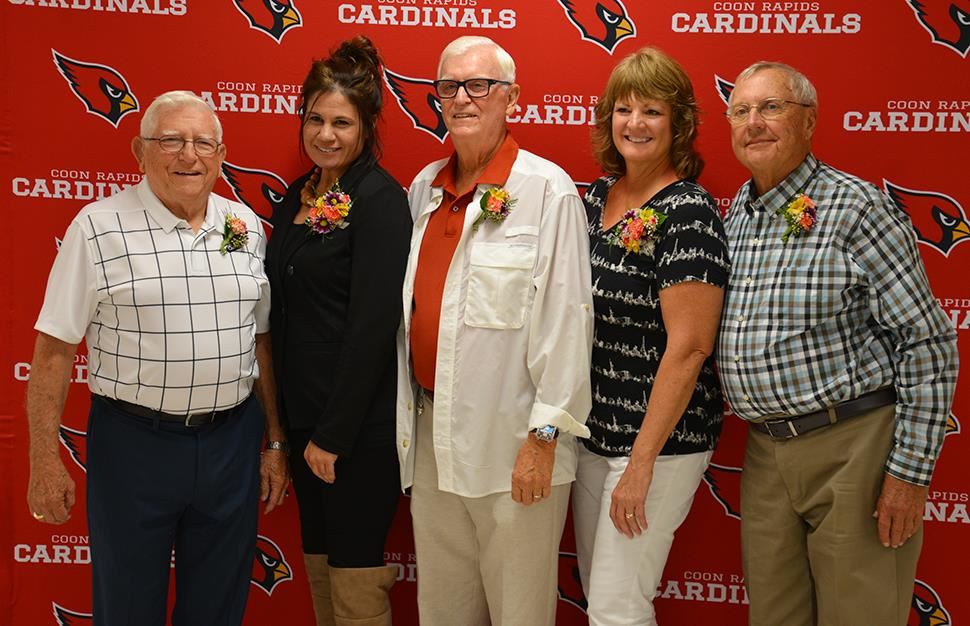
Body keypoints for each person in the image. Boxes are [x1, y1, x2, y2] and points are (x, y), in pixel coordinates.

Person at [25, 90, 288, 626]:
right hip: (133, 447)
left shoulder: (243, 227)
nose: (188, 155)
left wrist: (276, 442)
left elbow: (260, 340)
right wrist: (44, 459)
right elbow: (53, 351)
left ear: (220, 153)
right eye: (170, 141)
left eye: (202, 142)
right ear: (139, 152)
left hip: (230, 444)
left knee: (218, 605)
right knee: (127, 606)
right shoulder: (97, 228)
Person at [717, 61, 959, 626]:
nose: (754, 123)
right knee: (774, 616)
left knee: (861, 614)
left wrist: (908, 475)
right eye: (741, 111)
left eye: (771, 108)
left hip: (854, 447)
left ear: (810, 121)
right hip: (767, 453)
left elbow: (928, 344)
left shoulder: (856, 209)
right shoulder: (735, 219)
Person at [396, 35, 594, 626]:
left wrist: (544, 438)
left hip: (515, 446)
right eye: (448, 86)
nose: (461, 98)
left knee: (520, 612)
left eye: (478, 85)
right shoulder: (424, 188)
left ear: (512, 98)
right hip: (432, 438)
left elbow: (568, 321)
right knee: (444, 609)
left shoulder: (546, 190)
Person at [572, 47, 730, 626]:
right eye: (623, 109)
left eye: (652, 111)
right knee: (603, 597)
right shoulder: (590, 200)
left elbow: (689, 349)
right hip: (591, 435)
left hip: (657, 445)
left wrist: (641, 465)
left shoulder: (689, 213)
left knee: (617, 610)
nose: (634, 123)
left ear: (679, 123)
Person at [265, 36, 410, 626]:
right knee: (320, 564)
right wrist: (289, 435)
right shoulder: (294, 199)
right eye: (316, 119)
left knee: (355, 572)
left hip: (354, 435)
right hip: (303, 424)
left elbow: (374, 327)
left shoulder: (379, 200)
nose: (326, 134)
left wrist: (334, 435)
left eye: (342, 123)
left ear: (368, 127)